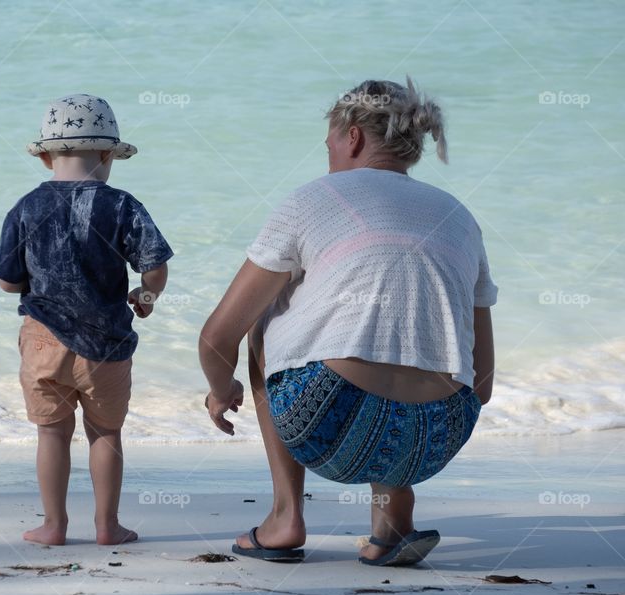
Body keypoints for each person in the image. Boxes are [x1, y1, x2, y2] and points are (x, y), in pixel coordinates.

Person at [199, 77, 497, 566]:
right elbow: (481, 384)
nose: (330, 155)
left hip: (330, 421)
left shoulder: (310, 200)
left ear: (352, 135)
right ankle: (393, 520)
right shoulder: (460, 217)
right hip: (437, 437)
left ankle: (284, 516)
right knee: (407, 328)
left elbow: (216, 337)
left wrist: (220, 388)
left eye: (330, 143)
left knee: (264, 316)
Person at [0, 94, 173, 545]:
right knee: (106, 434)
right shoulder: (122, 205)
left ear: (46, 157)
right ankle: (107, 526)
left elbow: (8, 284)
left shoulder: (26, 208)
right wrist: (145, 296)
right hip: (106, 342)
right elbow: (154, 267)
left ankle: (54, 526)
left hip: (42, 340)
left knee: (51, 434)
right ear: (109, 154)